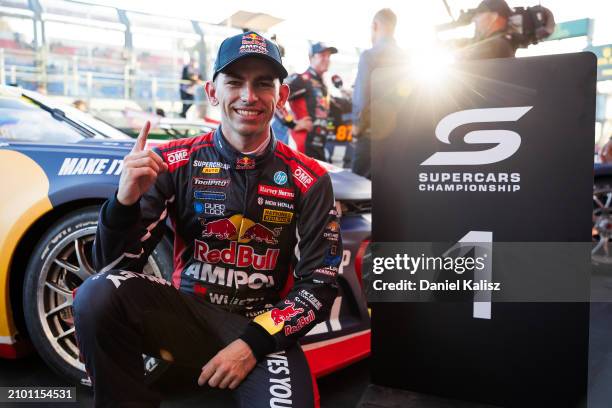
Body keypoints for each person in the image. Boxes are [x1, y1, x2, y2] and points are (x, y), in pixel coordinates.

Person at [73, 31, 341, 407]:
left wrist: (250, 345)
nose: (248, 96)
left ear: (281, 97)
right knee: (96, 294)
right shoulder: (174, 160)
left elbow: (320, 286)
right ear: (213, 92)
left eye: (263, 84)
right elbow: (113, 268)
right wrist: (123, 202)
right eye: (235, 82)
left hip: (261, 327)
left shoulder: (309, 178)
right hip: (187, 318)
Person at [351, 8, 403, 179]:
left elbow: (362, 97)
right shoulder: (406, 57)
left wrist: (357, 126)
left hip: (371, 135)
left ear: (375, 25)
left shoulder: (369, 56)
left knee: (359, 193)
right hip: (400, 139)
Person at [287, 42, 337, 161]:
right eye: (322, 55)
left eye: (328, 56)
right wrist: (292, 124)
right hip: (302, 145)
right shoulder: (301, 79)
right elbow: (275, 98)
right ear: (311, 58)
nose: (327, 59)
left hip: (319, 145)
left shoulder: (323, 84)